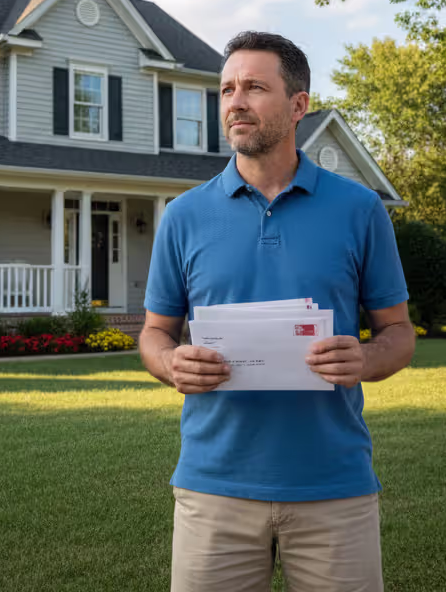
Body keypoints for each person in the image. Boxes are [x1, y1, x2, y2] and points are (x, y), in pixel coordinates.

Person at [140, 31, 415, 592]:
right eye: (226, 90)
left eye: (254, 88)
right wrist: (171, 365)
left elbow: (399, 333)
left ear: (298, 105)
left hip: (333, 488)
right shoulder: (183, 216)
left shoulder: (359, 209)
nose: (235, 102)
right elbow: (154, 333)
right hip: (213, 488)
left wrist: (363, 358)